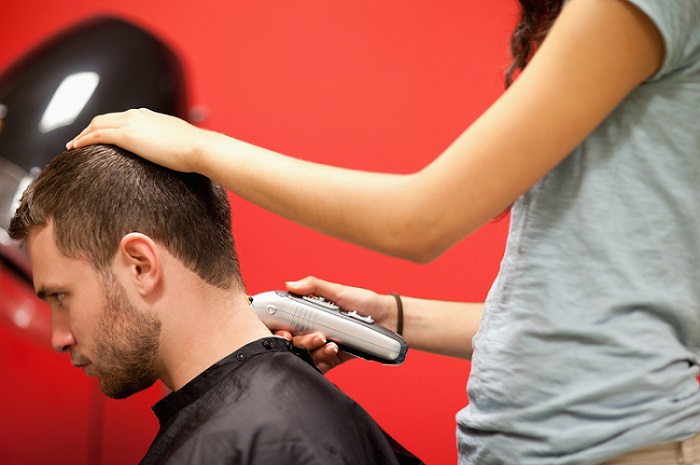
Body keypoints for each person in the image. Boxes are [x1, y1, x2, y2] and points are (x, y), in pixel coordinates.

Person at [67, 0, 700, 463]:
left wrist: (198, 147)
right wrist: (393, 315)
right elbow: (579, 310)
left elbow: (421, 220)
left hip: (613, 444)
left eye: (59, 294)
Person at [7, 144, 422, 465]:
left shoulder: (257, 440)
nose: (60, 337)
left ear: (140, 265)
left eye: (61, 297)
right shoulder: (283, 418)